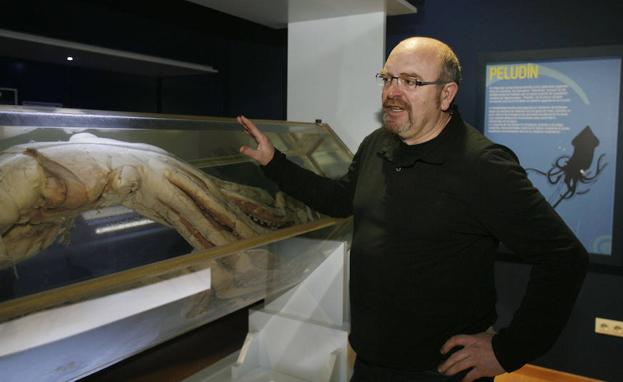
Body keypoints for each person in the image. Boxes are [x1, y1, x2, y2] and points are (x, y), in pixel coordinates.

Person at [237, 37, 588, 382]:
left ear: (446, 95)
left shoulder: (484, 165)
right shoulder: (377, 144)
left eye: (411, 82)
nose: (392, 92)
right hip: (370, 359)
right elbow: (339, 199)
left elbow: (564, 258)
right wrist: (274, 163)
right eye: (388, 78)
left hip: (439, 371)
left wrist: (509, 350)